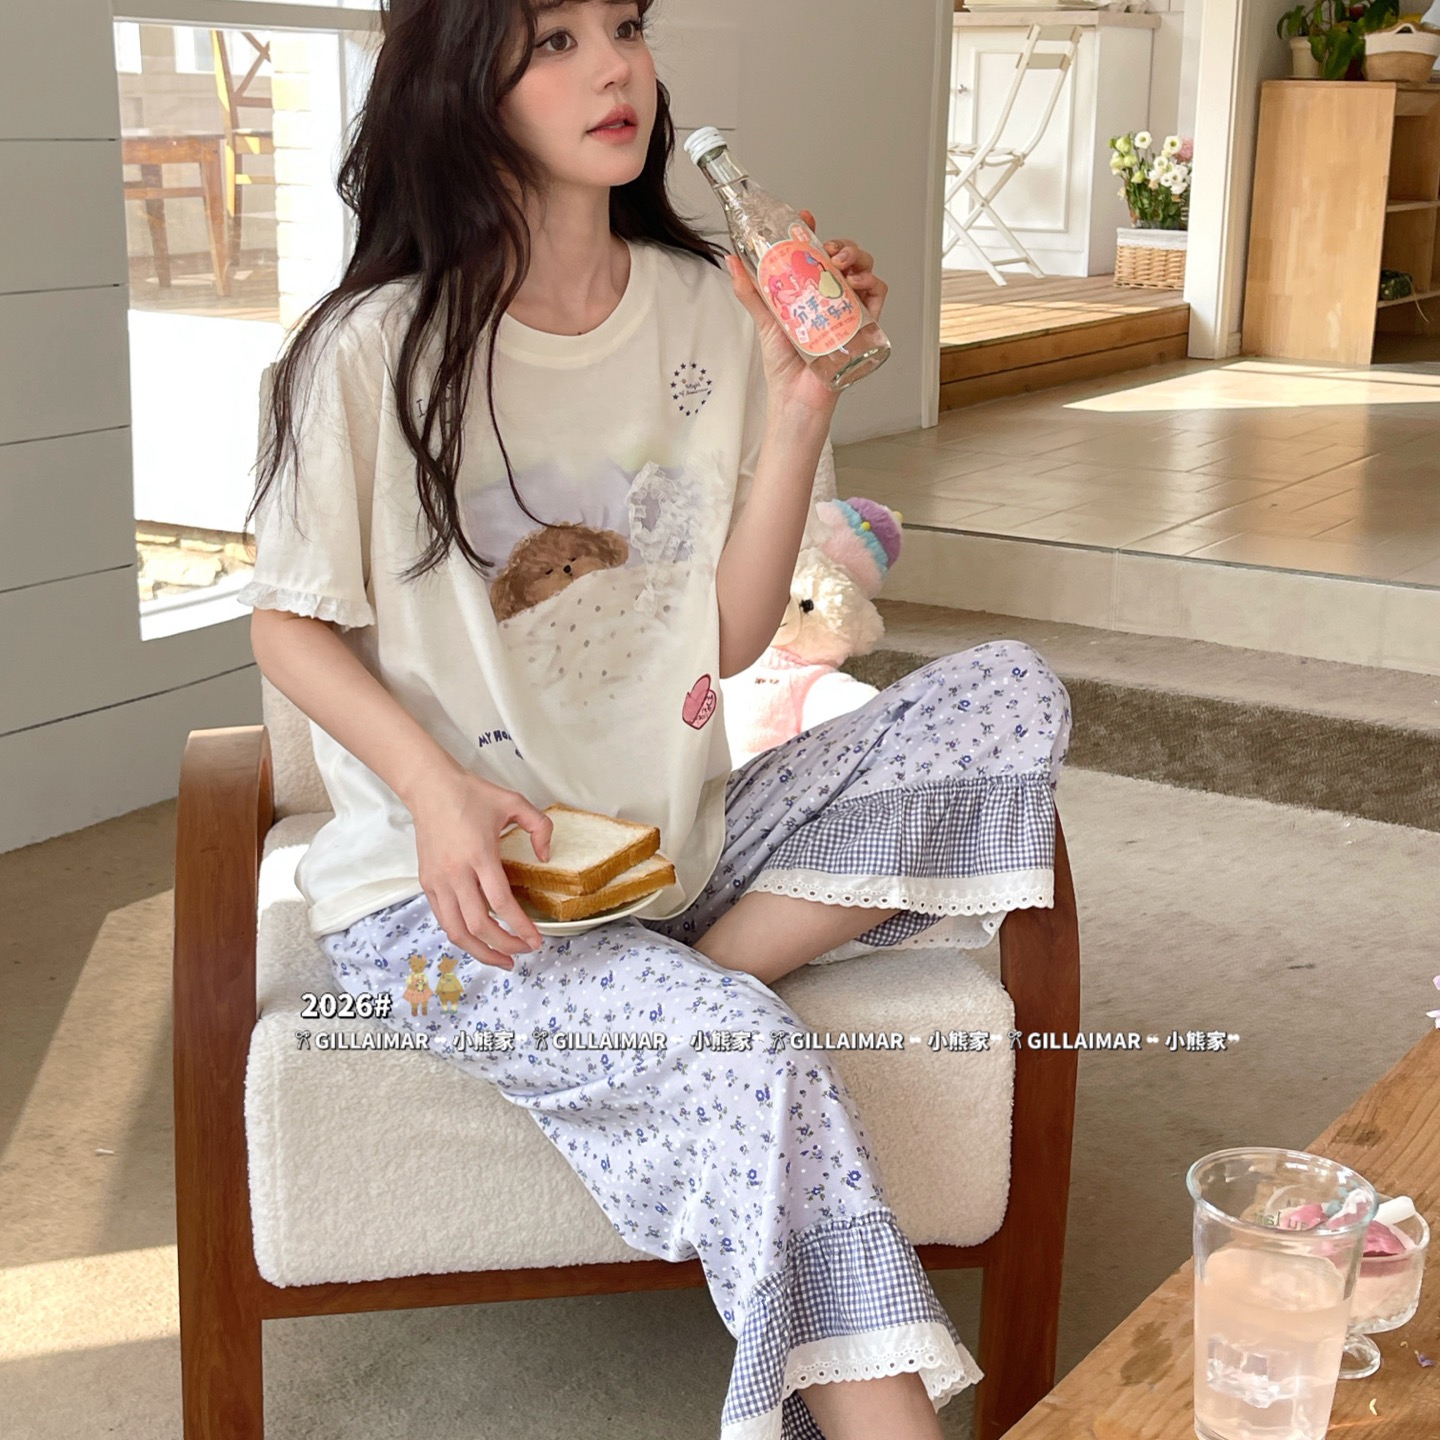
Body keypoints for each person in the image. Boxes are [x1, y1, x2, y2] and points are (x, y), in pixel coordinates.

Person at [239, 1, 1073, 1436]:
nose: (616, 65)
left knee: (1012, 692)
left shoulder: (708, 308)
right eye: (554, 40)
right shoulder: (368, 351)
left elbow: (729, 638)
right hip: (458, 906)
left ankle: (692, 977)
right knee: (749, 1057)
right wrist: (434, 791)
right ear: (462, 81)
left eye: (623, 23)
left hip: (671, 855)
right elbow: (288, 624)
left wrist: (800, 403)